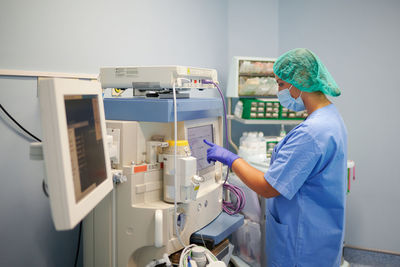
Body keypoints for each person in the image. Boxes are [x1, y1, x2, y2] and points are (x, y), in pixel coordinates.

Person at [204, 48, 347, 267]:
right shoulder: (330, 117)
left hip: (301, 244)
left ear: (298, 83)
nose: (278, 90)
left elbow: (268, 187)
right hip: (320, 233)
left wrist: (231, 158)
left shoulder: (312, 132)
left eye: (281, 84)